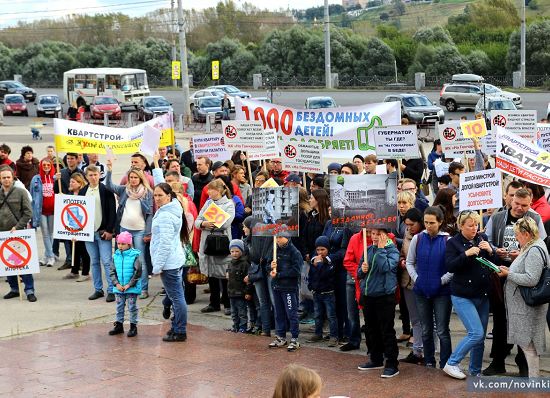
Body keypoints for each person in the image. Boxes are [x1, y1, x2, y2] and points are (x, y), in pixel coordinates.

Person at [484, 188, 547, 376]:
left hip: (522, 276)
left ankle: (524, 364)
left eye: (524, 205)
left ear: (530, 203)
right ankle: (498, 361)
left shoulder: (534, 218)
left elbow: (539, 242)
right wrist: (496, 251)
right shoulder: (497, 217)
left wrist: (523, 253)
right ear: (510, 200)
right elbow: (487, 240)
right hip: (501, 272)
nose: (520, 208)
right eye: (516, 203)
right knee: (501, 320)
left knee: (523, 323)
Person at [443, 211, 499, 379]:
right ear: (461, 226)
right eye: (470, 225)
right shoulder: (453, 243)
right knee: (476, 333)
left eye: (476, 225)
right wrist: (465, 255)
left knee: (479, 338)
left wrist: (491, 251)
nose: (475, 228)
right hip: (463, 295)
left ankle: (475, 372)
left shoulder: (482, 239)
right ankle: (452, 363)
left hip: (483, 294)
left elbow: (495, 264)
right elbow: (450, 266)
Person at [498, 217, 550, 378]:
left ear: (526, 234)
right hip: (525, 305)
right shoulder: (532, 245)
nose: (515, 238)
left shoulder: (534, 249)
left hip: (528, 306)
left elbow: (531, 279)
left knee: (529, 345)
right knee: (527, 344)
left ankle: (534, 381)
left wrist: (508, 274)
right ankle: (533, 380)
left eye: (517, 235)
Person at [406, 206, 453, 369]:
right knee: (425, 330)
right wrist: (417, 279)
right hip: (421, 291)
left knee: (442, 330)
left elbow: (452, 267)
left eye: (432, 222)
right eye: (426, 222)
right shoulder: (417, 238)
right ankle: (430, 361)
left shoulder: (448, 240)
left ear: (440, 222)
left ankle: (446, 363)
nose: (428, 225)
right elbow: (409, 262)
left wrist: (442, 281)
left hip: (442, 292)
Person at [356, 228, 400, 378]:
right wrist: (362, 269)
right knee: (371, 329)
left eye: (378, 234)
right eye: (372, 234)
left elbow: (385, 267)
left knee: (387, 330)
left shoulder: (392, 250)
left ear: (387, 235)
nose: (374, 237)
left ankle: (392, 364)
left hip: (384, 296)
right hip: (368, 295)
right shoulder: (367, 249)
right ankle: (376, 359)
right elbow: (359, 273)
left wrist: (381, 250)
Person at [105, 161, 153, 299]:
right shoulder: (124, 190)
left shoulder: (147, 192)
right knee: (124, 260)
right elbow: (109, 186)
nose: (132, 180)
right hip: (124, 230)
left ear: (140, 178)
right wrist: (109, 171)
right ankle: (125, 286)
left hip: (139, 231)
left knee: (140, 260)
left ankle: (143, 289)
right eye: (130, 177)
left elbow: (149, 214)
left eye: (135, 177)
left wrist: (147, 232)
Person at [152, 183, 188, 342]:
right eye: (155, 195)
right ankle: (176, 327)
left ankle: (180, 331)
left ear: (169, 196)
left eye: (160, 195)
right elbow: (161, 183)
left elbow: (164, 244)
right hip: (174, 259)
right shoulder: (173, 206)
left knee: (177, 298)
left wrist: (157, 267)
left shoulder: (166, 215)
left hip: (169, 262)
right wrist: (157, 165)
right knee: (175, 296)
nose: (157, 198)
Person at [196, 179, 236, 314]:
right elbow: (197, 221)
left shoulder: (229, 204)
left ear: (218, 190)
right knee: (211, 274)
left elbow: (225, 223)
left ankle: (227, 303)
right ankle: (214, 303)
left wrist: (209, 222)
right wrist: (204, 224)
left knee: (224, 273)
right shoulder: (208, 203)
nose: (207, 192)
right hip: (208, 242)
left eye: (210, 189)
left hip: (221, 242)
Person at [79, 165, 117, 302]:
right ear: (86, 176)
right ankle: (98, 289)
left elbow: (113, 212)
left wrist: (109, 230)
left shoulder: (106, 190)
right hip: (88, 233)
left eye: (96, 175)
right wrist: (76, 232)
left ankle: (112, 289)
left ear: (99, 175)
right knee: (94, 262)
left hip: (103, 231)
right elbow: (78, 213)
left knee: (107, 261)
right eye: (91, 175)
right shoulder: (83, 191)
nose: (94, 177)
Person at [0, 165, 35, 302]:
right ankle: (14, 289)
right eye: (4, 178)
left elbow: (28, 212)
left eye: (8, 177)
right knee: (8, 263)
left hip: (18, 233)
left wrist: (18, 226)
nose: (6, 180)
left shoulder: (21, 192)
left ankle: (30, 290)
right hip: (3, 234)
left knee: (23, 263)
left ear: (12, 177)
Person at [267, 229, 303, 352]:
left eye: (280, 237)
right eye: (276, 238)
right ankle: (281, 336)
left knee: (291, 313)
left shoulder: (294, 252)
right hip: (276, 287)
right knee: (279, 312)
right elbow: (268, 265)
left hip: (288, 288)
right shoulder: (275, 249)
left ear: (287, 237)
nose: (277, 240)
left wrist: (279, 274)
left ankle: (295, 338)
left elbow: (296, 271)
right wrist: (271, 267)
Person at [398, 208, 425, 365]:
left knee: (428, 320)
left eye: (412, 224)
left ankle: (427, 351)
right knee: (415, 319)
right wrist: (402, 262)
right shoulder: (407, 235)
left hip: (422, 281)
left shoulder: (426, 236)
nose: (409, 228)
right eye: (407, 225)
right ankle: (416, 352)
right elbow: (402, 254)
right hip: (407, 281)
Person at [305, 236, 339, 347]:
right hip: (317, 293)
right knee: (318, 315)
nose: (320, 252)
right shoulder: (314, 261)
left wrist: (319, 264)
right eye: (318, 250)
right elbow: (311, 276)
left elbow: (323, 275)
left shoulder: (330, 263)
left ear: (328, 249)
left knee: (331, 316)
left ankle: (334, 336)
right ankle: (318, 334)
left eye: (322, 250)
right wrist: (311, 288)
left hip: (328, 293)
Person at [108, 231, 142, 338]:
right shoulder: (116, 256)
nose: (120, 246)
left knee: (132, 307)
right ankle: (119, 325)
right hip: (119, 288)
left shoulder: (134, 256)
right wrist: (116, 284)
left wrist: (129, 284)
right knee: (119, 306)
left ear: (129, 244)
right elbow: (112, 271)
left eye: (123, 244)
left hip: (131, 288)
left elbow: (138, 272)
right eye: (118, 244)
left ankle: (133, 326)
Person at [62, 173, 91, 281]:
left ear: (80, 183)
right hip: (71, 227)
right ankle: (74, 271)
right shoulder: (69, 194)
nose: (71, 184)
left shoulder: (84, 195)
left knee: (83, 250)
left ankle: (85, 272)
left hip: (82, 226)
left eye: (73, 182)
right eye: (70, 182)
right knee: (74, 249)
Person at [30, 157, 56, 267]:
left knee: (51, 234)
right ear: (41, 166)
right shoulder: (36, 178)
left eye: (48, 165)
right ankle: (51, 256)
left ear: (51, 166)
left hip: (53, 210)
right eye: (44, 165)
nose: (46, 167)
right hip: (41, 211)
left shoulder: (55, 178)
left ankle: (46, 256)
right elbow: (31, 195)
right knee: (45, 234)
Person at [226, 239, 253, 333]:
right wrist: (227, 273)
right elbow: (229, 273)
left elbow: (248, 281)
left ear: (242, 251)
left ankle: (243, 327)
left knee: (242, 312)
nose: (234, 254)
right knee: (234, 312)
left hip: (241, 293)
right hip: (231, 293)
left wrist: (248, 292)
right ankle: (235, 325)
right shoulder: (230, 263)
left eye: (237, 251)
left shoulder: (245, 264)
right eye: (232, 251)